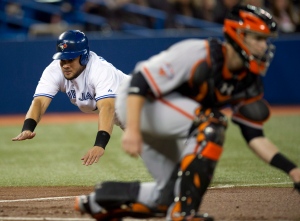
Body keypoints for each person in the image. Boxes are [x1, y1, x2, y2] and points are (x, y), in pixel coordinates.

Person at [74, 5, 300, 221]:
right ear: (238, 34)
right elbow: (140, 82)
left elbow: (255, 136)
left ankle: (99, 200)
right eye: (259, 38)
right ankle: (184, 213)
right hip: (135, 103)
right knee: (212, 123)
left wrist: (292, 170)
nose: (264, 46)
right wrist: (132, 129)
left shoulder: (248, 80)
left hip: (166, 117)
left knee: (169, 195)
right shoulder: (199, 53)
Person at [12, 30, 129, 166]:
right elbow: (40, 101)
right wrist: (28, 127)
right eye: (62, 59)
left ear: (83, 56)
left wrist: (100, 144)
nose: (65, 65)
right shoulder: (55, 70)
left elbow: (107, 107)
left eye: (71, 59)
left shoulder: (100, 70)